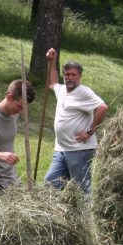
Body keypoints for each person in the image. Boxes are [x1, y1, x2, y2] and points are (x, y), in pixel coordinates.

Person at [43, 48, 107, 193]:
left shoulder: (84, 92)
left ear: (79, 76)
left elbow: (102, 107)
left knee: (81, 189)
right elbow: (52, 83)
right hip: (61, 149)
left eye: (73, 75)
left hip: (79, 150)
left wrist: (90, 132)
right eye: (66, 74)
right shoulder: (62, 90)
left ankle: (86, 215)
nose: (69, 78)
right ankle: (56, 214)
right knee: (51, 183)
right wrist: (51, 61)